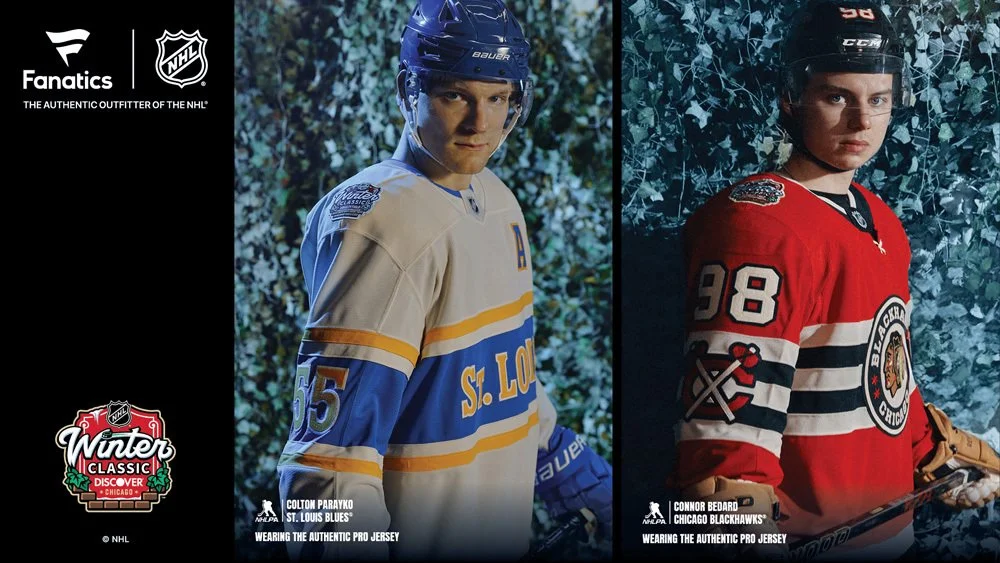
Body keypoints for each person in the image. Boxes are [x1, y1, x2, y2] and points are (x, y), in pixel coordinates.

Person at [276, 0, 612, 559]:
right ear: (408, 90)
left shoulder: (497, 200)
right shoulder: (381, 222)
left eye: (497, 98)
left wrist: (558, 458)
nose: (481, 123)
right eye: (455, 95)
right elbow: (331, 463)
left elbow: (496, 371)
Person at [670, 1, 998, 559]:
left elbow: (881, 373)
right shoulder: (757, 226)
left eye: (878, 99)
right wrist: (735, 533)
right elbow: (724, 434)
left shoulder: (881, 219)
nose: (862, 121)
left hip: (888, 534)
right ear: (791, 97)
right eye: (837, 97)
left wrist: (930, 454)